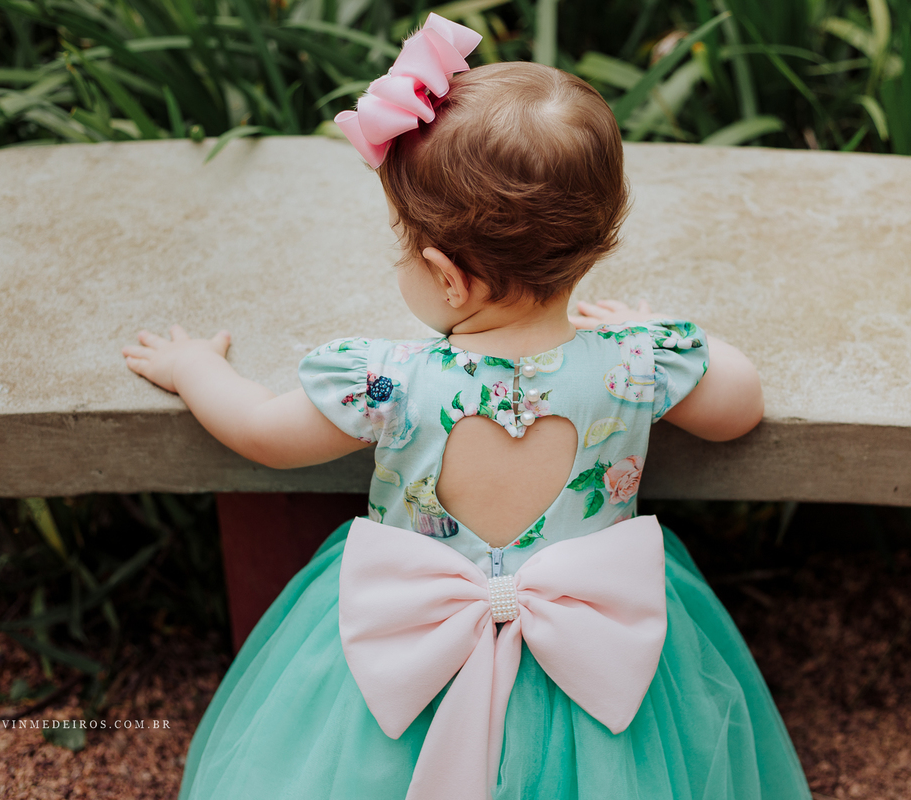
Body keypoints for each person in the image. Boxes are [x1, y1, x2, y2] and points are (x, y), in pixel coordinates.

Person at [122, 14, 811, 800]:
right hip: (592, 667)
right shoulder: (638, 362)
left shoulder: (386, 380)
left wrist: (192, 368)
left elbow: (262, 433)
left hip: (415, 658)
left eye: (401, 242)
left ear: (448, 277)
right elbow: (739, 404)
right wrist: (649, 328)